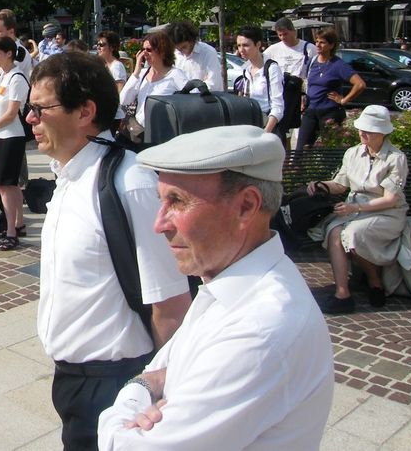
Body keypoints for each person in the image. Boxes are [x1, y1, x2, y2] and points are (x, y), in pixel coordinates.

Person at [98, 125, 333, 450]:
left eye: (177, 201)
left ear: (246, 207)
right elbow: (164, 365)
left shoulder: (258, 330)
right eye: (160, 200)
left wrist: (133, 394)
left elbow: (126, 446)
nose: (159, 224)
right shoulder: (232, 282)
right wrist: (154, 384)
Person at [29, 51, 191, 451]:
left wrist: (163, 387)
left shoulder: (129, 182)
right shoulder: (68, 176)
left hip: (114, 384)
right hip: (73, 382)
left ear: (85, 111)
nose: (30, 119)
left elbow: (171, 304)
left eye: (40, 108)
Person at [312, 105, 409, 313]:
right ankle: (342, 293)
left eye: (369, 130)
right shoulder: (352, 153)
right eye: (361, 129)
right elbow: (341, 184)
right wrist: (321, 184)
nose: (362, 133)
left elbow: (390, 200)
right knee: (334, 233)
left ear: (382, 133)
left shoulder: (396, 158)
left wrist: (354, 207)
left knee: (352, 234)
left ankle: (374, 281)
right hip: (354, 209)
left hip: (386, 212)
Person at [0, 36, 29, 250]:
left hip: (13, 135)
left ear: (9, 53)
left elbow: (12, 113)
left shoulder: (17, 77)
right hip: (0, 135)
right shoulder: (2, 75)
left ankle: (11, 231)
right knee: (9, 184)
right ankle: (18, 223)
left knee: (5, 184)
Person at [296, 26, 365, 150]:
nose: (318, 45)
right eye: (316, 41)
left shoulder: (338, 65)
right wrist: (302, 97)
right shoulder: (312, 62)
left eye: (322, 42)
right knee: (301, 150)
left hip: (330, 112)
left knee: (330, 150)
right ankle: (297, 168)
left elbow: (360, 84)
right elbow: (306, 82)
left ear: (331, 45)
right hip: (311, 111)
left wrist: (344, 100)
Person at [118, 30, 187, 139]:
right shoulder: (142, 73)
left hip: (162, 135)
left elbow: (191, 100)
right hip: (139, 133)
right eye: (143, 49)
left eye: (149, 50)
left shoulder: (175, 75)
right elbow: (123, 100)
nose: (144, 53)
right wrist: (136, 72)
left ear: (162, 51)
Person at [262, 17, 314, 146]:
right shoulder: (272, 50)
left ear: (293, 31)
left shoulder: (308, 48)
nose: (283, 37)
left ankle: (295, 159)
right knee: (283, 130)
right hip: (281, 92)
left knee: (299, 131)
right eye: (280, 35)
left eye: (285, 34)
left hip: (300, 92)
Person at [233, 26, 284, 137]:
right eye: (239, 45)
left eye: (246, 45)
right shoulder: (246, 69)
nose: (241, 50)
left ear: (258, 44)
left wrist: (265, 133)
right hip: (250, 125)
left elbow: (278, 107)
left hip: (267, 127)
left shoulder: (271, 68)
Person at [167, 20, 223, 91]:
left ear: (192, 40)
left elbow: (214, 85)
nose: (181, 51)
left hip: (203, 100)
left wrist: (188, 91)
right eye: (178, 49)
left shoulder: (208, 52)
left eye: (184, 47)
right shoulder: (174, 54)